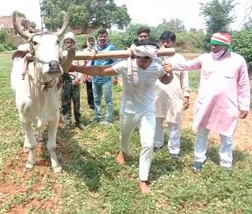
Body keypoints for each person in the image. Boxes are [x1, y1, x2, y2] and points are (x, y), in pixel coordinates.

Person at [69, 40, 174, 194]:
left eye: (148, 59)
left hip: (148, 110)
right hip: (128, 110)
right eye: (141, 58)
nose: (144, 62)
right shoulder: (126, 65)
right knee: (125, 136)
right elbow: (100, 70)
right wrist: (76, 67)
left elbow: (166, 80)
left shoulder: (157, 66)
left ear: (152, 58)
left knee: (147, 143)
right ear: (136, 56)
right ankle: (123, 151)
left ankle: (143, 179)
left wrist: (169, 72)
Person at [165, 32, 250, 172]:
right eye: (212, 44)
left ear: (225, 46)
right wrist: (172, 65)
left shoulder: (238, 60)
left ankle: (226, 163)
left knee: (226, 134)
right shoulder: (205, 58)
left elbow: (243, 84)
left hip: (228, 105)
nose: (213, 47)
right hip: (206, 103)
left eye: (216, 45)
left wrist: (244, 104)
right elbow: (188, 65)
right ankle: (199, 158)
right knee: (202, 132)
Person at [154, 31, 190, 159]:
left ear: (173, 43)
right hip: (157, 94)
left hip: (175, 95)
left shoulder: (180, 58)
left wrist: (186, 95)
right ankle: (157, 144)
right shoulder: (155, 57)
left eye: (168, 41)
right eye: (163, 41)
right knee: (157, 120)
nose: (165, 44)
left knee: (174, 122)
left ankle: (174, 150)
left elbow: (184, 77)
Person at [91, 29, 118, 124]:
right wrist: (90, 74)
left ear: (107, 37)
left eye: (104, 36)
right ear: (98, 37)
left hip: (106, 78)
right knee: (96, 99)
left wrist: (115, 77)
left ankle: (109, 119)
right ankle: (98, 117)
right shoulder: (95, 48)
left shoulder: (111, 48)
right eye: (101, 36)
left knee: (108, 99)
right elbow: (92, 63)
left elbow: (116, 63)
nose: (103, 38)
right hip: (95, 78)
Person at [61, 32, 85, 130]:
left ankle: (78, 122)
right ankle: (68, 124)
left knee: (76, 103)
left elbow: (82, 67)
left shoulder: (78, 53)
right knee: (65, 103)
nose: (69, 44)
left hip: (75, 81)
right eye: (67, 42)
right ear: (64, 43)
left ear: (74, 42)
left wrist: (78, 78)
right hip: (64, 81)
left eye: (71, 42)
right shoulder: (61, 54)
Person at [83, 35, 96, 109]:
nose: (91, 42)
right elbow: (83, 63)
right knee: (89, 89)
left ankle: (97, 102)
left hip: (97, 72)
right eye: (90, 41)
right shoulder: (84, 51)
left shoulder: (98, 49)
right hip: (88, 73)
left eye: (93, 41)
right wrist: (85, 75)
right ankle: (91, 104)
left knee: (97, 88)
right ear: (88, 42)